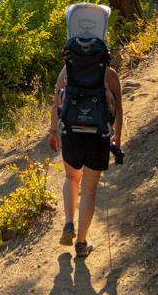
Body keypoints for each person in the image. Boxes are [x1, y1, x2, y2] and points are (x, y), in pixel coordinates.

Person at [48, 54, 123, 257]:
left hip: (72, 134)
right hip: (98, 136)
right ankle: (81, 243)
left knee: (71, 178)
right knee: (88, 191)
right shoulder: (110, 75)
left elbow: (57, 104)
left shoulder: (66, 72)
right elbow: (118, 109)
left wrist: (53, 131)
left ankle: (68, 224)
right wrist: (117, 136)